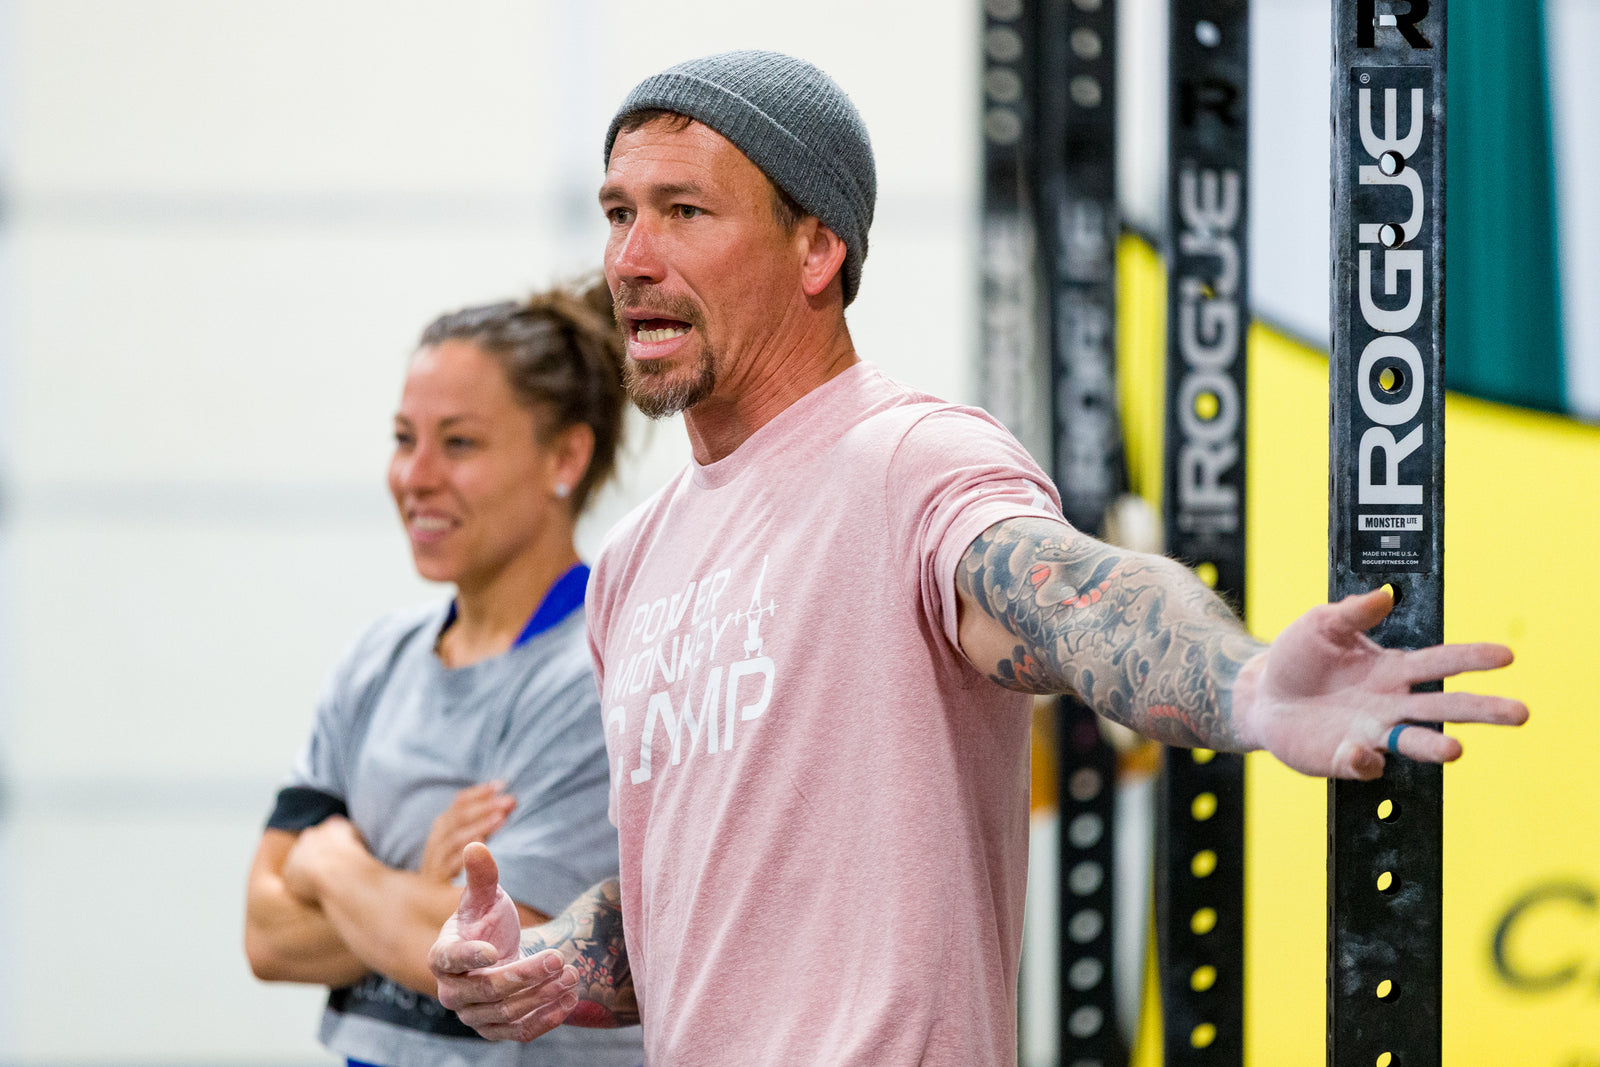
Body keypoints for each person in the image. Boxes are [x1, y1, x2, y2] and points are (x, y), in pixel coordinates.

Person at [425, 52, 1528, 1065]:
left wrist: (1241, 681)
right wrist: (550, 964)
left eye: (683, 211)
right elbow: (688, 897)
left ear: (818, 246)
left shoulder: (908, 460)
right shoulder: (633, 564)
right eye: (620, 212)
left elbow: (1063, 595)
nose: (630, 258)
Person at [244, 282, 644, 1067]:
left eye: (458, 443)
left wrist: (334, 863)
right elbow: (265, 935)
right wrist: (410, 887)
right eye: (403, 438)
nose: (415, 476)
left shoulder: (602, 666)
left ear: (565, 455)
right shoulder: (376, 663)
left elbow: (504, 958)